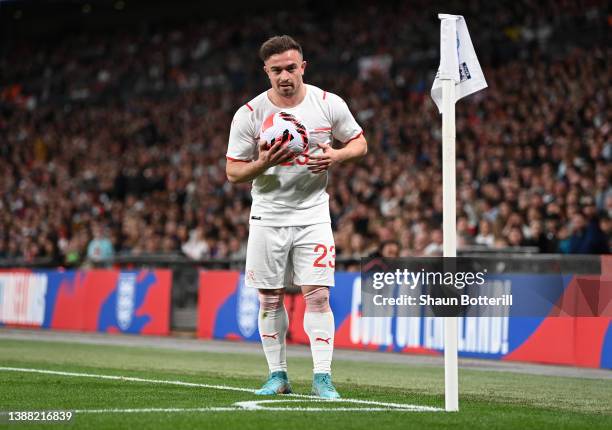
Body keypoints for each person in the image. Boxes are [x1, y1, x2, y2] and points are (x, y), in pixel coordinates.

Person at [226, 35, 367, 398]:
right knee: (269, 299)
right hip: (268, 216)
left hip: (313, 214)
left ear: (303, 66)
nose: (284, 76)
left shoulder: (327, 103)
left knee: (318, 296)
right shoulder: (250, 114)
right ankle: (278, 376)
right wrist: (262, 163)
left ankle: (323, 377)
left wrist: (336, 156)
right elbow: (233, 172)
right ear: (266, 72)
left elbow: (359, 142)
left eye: (291, 68)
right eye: (276, 70)